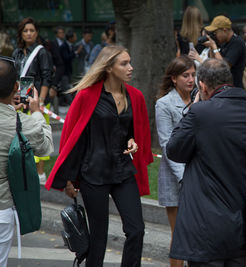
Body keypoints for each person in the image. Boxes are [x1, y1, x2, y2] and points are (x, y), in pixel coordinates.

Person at [45, 45, 153, 267]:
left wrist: (133, 142)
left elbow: (135, 132)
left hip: (123, 171)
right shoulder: (86, 95)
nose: (131, 67)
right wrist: (67, 179)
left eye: (130, 62)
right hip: (93, 172)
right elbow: (70, 138)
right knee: (98, 238)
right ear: (109, 68)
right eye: (124, 63)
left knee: (137, 230)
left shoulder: (136, 96)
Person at [166, 58, 246, 266]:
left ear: (202, 86)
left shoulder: (200, 113)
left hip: (204, 224)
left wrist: (191, 109)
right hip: (243, 220)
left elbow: (174, 150)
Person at [0, 56, 53, 267]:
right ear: (16, 87)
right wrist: (37, 112)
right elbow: (46, 146)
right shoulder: (22, 123)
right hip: (2, 209)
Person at [155, 55, 196, 267]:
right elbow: (167, 144)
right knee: (179, 234)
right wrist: (184, 178)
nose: (191, 79)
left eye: (193, 75)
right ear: (173, 78)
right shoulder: (164, 104)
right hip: (175, 177)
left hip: (199, 174)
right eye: (185, 75)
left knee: (197, 233)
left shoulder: (201, 99)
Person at [12, 17, 53, 183]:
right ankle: (25, 169)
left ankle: (40, 173)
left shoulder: (42, 52)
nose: (29, 34)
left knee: (39, 132)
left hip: (36, 98)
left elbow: (46, 77)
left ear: (36, 33)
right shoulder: (17, 52)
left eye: (32, 31)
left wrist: (41, 101)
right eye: (25, 31)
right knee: (21, 135)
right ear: (21, 33)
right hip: (20, 98)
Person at [203, 15, 246, 88]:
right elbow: (213, 63)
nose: (215, 35)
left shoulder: (237, 43)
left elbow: (224, 67)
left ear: (224, 30)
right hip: (223, 88)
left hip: (234, 90)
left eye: (215, 32)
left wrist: (214, 47)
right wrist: (211, 47)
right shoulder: (225, 43)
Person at [60, 30, 80, 105]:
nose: (76, 38)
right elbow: (66, 57)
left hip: (68, 71)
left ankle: (64, 102)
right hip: (64, 71)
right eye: (75, 36)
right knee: (66, 87)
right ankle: (71, 103)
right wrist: (76, 53)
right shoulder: (64, 46)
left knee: (66, 86)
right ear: (70, 38)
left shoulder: (70, 46)